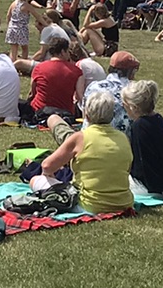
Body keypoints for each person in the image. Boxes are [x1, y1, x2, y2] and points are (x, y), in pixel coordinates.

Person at [37, 88, 135, 216]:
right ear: (112, 116)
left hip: (90, 205)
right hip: (124, 203)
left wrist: (49, 175)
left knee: (36, 180)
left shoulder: (80, 138)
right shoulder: (123, 138)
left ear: (86, 115)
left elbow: (47, 166)